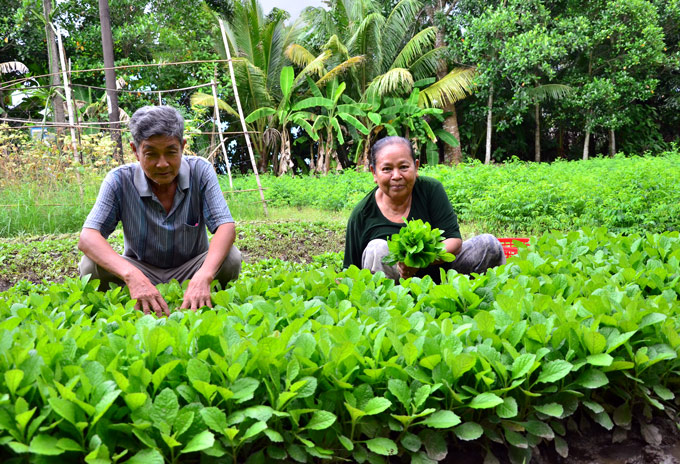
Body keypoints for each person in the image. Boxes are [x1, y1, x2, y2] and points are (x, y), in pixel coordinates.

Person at [78, 105, 241, 316]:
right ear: (135, 151)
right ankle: (137, 295)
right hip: (140, 268)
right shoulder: (119, 180)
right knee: (90, 265)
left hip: (191, 268)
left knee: (230, 257)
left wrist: (204, 275)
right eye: (151, 154)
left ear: (182, 146)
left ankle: (199, 292)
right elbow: (88, 236)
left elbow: (225, 227)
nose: (162, 164)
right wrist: (132, 276)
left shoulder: (200, 171)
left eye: (171, 152)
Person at [343, 136, 505, 282]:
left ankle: (461, 296)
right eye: (387, 169)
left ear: (416, 167)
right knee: (378, 248)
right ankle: (395, 307)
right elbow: (351, 271)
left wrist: (419, 261)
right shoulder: (362, 214)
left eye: (404, 167)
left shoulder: (431, 189)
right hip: (394, 289)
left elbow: (454, 242)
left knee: (488, 244)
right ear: (374, 173)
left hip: (440, 275)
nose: (397, 175)